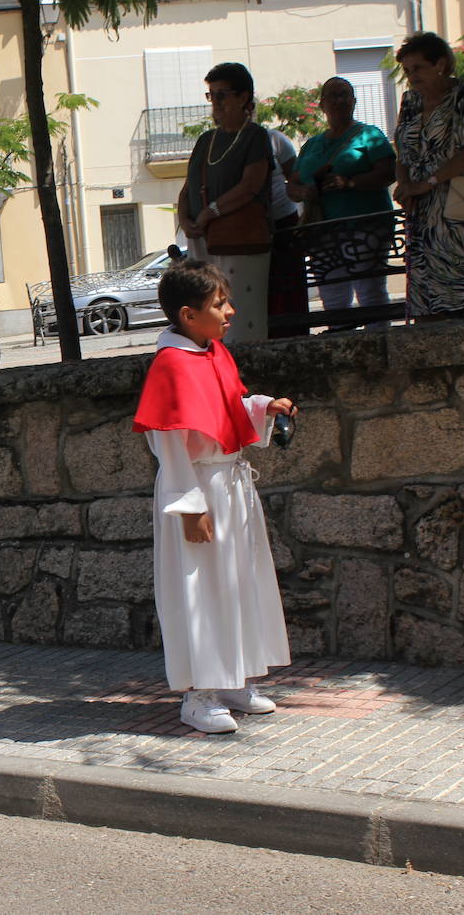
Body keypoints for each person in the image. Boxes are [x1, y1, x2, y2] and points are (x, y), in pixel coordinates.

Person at [132, 260, 295, 734]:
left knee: (237, 581)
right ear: (188, 314)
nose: (229, 311)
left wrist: (265, 408)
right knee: (198, 589)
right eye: (219, 304)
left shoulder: (213, 353)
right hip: (198, 487)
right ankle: (197, 695)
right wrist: (190, 507)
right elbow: (169, 442)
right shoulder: (171, 365)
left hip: (230, 484)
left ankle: (232, 679)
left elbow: (225, 410)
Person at [393, 31, 464, 319]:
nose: (412, 75)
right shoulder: (410, 102)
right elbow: (403, 151)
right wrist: (405, 185)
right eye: (407, 70)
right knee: (428, 297)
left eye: (418, 68)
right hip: (424, 214)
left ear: (440, 63)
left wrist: (428, 182)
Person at [178, 62, 273, 343]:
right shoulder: (206, 139)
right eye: (212, 95)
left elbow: (250, 186)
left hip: (240, 239)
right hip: (201, 238)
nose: (216, 103)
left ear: (243, 97)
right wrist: (186, 219)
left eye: (222, 95)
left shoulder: (255, 136)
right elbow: (189, 187)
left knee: (239, 315)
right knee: (205, 312)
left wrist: (211, 212)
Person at [288, 77, 397, 314]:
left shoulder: (370, 135)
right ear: (322, 104)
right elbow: (292, 186)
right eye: (333, 95)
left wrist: (349, 182)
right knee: (333, 298)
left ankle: (379, 345)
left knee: (371, 293)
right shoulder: (311, 145)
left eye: (345, 94)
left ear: (354, 101)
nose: (339, 100)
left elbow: (389, 172)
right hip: (322, 232)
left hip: (366, 229)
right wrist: (305, 191)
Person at [262, 124, 308, 337]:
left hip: (286, 222)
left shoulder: (275, 139)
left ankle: (297, 334)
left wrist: (305, 215)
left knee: (291, 286)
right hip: (255, 227)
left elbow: (297, 179)